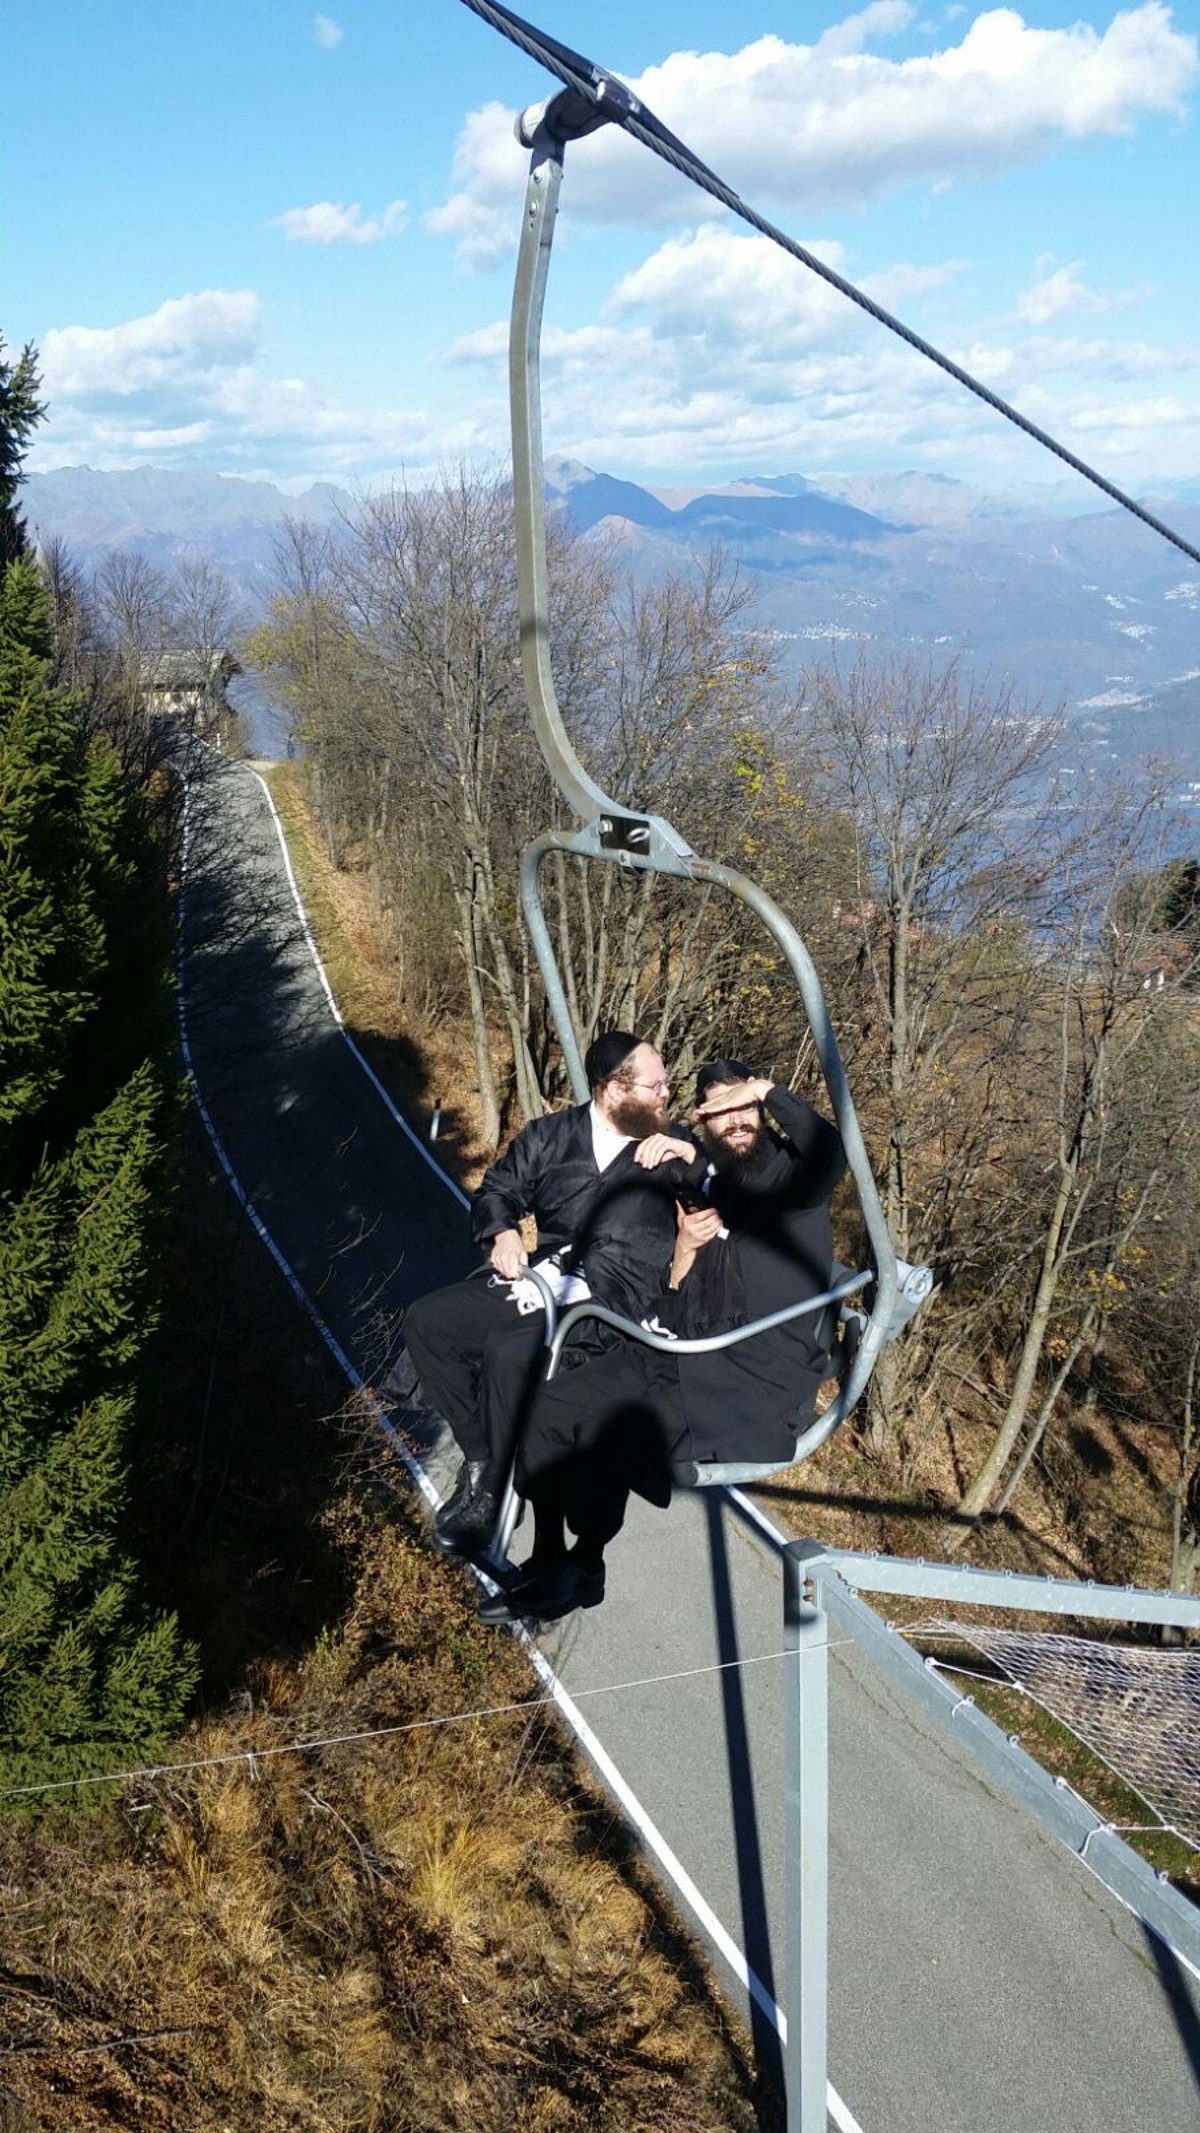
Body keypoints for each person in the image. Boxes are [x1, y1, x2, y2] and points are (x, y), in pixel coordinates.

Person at [479, 1061, 846, 1625]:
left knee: (613, 1429)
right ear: (706, 1126)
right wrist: (682, 1254)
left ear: (762, 1113)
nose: (735, 1120)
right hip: (688, 1351)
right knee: (546, 1404)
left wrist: (765, 1089)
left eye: (743, 1108)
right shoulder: (716, 1190)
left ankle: (586, 1561)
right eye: (719, 1114)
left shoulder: (794, 1185)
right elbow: (680, 1297)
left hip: (756, 1374)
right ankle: (548, 1550)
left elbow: (828, 1151)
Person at [402, 1029, 686, 1554]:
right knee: (429, 1320)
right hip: (547, 1279)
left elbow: (729, 1189)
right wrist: (504, 1231)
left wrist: (692, 1154)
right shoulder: (551, 1137)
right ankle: (483, 1460)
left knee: (509, 1350)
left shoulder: (670, 1151)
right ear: (613, 1089)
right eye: (656, 1086)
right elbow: (499, 1190)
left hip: (612, 1302)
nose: (666, 1095)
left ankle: (494, 1501)